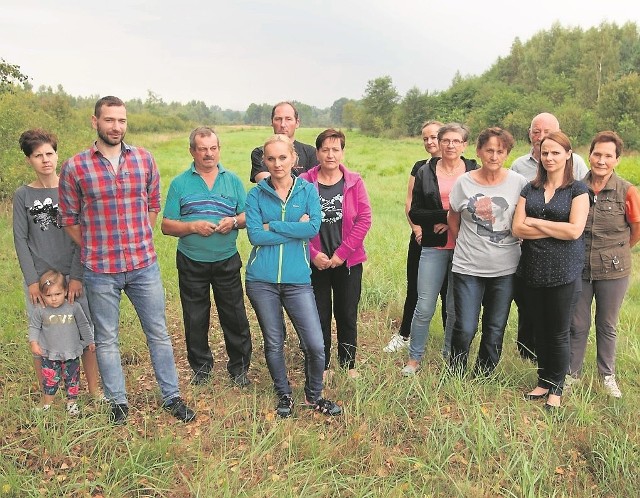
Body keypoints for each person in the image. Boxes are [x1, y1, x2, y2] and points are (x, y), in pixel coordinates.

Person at [58, 96, 195, 424]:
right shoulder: (75, 166)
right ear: (95, 122)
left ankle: (171, 396)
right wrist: (95, 245)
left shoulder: (144, 159)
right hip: (100, 270)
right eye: (109, 120)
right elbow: (69, 218)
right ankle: (118, 403)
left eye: (121, 120)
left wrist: (140, 236)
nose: (116, 127)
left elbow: (152, 203)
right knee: (106, 338)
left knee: (158, 332)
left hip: (142, 265)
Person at [245, 134, 341, 418]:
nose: (277, 164)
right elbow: (254, 235)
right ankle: (284, 394)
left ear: (294, 159)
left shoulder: (307, 191)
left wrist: (272, 224)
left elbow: (312, 229)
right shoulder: (256, 194)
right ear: (265, 160)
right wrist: (290, 227)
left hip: (298, 280)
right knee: (274, 341)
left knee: (315, 342)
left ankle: (314, 396)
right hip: (261, 281)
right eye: (271, 159)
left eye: (283, 157)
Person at [161, 127, 252, 387]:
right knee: (195, 316)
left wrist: (233, 221)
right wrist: (192, 226)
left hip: (226, 259)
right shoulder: (180, 183)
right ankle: (201, 368)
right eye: (202, 149)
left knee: (234, 314)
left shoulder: (232, 180)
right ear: (192, 151)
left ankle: (240, 368)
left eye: (213, 148)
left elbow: (247, 216)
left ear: (219, 149)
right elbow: (167, 225)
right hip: (191, 261)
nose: (208, 154)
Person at [13, 128, 100, 397]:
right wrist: (31, 281)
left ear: (57, 154)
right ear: (29, 159)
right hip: (41, 279)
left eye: (49, 153)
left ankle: (95, 390)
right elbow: (20, 239)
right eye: (38, 155)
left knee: (85, 335)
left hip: (73, 275)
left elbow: (81, 236)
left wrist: (76, 276)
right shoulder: (23, 196)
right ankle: (47, 395)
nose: (45, 159)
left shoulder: (71, 189)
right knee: (42, 337)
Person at [513, 131, 589, 410]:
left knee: (558, 331)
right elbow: (517, 228)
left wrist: (535, 222)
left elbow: (574, 231)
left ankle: (556, 388)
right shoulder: (530, 188)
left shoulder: (578, 190)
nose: (549, 157)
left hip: (564, 272)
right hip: (531, 270)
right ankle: (543, 381)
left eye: (556, 152)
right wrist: (552, 228)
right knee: (540, 330)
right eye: (545, 152)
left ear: (568, 154)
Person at [447, 128, 527, 376]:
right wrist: (466, 243)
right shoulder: (464, 182)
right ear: (479, 151)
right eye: (489, 150)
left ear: (507, 153)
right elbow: (453, 218)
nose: (494, 156)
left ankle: (484, 373)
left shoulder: (518, 183)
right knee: (466, 326)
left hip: (506, 269)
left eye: (500, 151)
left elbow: (522, 221)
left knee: (495, 327)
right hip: (468, 266)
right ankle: (456, 371)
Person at [401, 123, 477, 376]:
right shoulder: (425, 171)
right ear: (439, 143)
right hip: (434, 246)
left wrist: (451, 219)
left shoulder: (474, 171)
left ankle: (448, 354)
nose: (450, 145)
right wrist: (447, 215)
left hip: (464, 248)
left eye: (456, 141)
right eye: (446, 140)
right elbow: (416, 211)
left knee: (454, 308)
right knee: (424, 305)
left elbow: (480, 210)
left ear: (465, 145)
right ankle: (414, 358)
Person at [568, 131, 640, 398]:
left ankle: (607, 375)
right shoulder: (576, 187)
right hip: (579, 268)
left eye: (608, 155)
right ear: (589, 155)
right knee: (577, 323)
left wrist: (617, 252)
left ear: (617, 160)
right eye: (597, 154)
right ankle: (571, 374)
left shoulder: (627, 190)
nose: (601, 160)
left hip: (614, 270)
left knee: (607, 324)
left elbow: (635, 230)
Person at [300, 129, 372, 379]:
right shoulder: (304, 182)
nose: (330, 154)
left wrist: (342, 253)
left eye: (336, 149)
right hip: (315, 263)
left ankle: (348, 363)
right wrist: (312, 253)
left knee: (347, 313)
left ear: (342, 152)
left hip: (347, 261)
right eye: (325, 149)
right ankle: (324, 364)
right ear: (317, 152)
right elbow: (296, 221)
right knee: (319, 315)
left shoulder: (354, 181)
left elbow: (364, 219)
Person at [383, 120, 445, 353]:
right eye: (425, 138)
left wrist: (450, 225)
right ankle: (404, 334)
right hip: (422, 237)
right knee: (415, 287)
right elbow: (410, 202)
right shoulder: (419, 167)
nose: (430, 142)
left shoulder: (462, 167)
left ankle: (451, 340)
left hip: (453, 239)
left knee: (449, 291)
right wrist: (417, 229)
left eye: (434, 136)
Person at [29, 270, 95, 415]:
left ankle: (72, 403)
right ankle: (47, 403)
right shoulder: (41, 310)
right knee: (49, 379)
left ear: (65, 291)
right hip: (50, 353)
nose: (53, 299)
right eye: (48, 295)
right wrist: (34, 342)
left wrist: (90, 341)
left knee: (72, 379)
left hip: (71, 352)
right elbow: (34, 327)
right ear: (42, 295)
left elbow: (83, 324)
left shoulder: (73, 307)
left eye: (57, 294)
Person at [249, 101, 317, 183]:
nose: (283, 124)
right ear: (272, 122)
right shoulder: (260, 153)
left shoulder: (311, 153)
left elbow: (315, 184)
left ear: (297, 123)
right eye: (278, 119)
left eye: (288, 119)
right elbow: (266, 184)